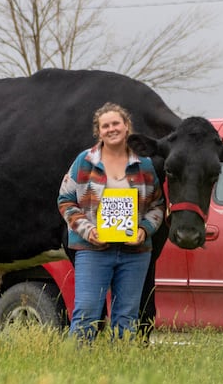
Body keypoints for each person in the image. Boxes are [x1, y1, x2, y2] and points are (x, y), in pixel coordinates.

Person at [58, 102, 165, 342]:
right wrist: (88, 230)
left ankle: (121, 370)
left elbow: (158, 206)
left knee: (127, 316)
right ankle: (76, 367)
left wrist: (144, 229)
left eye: (116, 123)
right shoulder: (84, 162)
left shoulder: (144, 165)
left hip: (135, 252)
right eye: (105, 126)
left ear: (127, 127)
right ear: (99, 132)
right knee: (86, 312)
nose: (111, 129)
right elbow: (65, 200)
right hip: (93, 249)